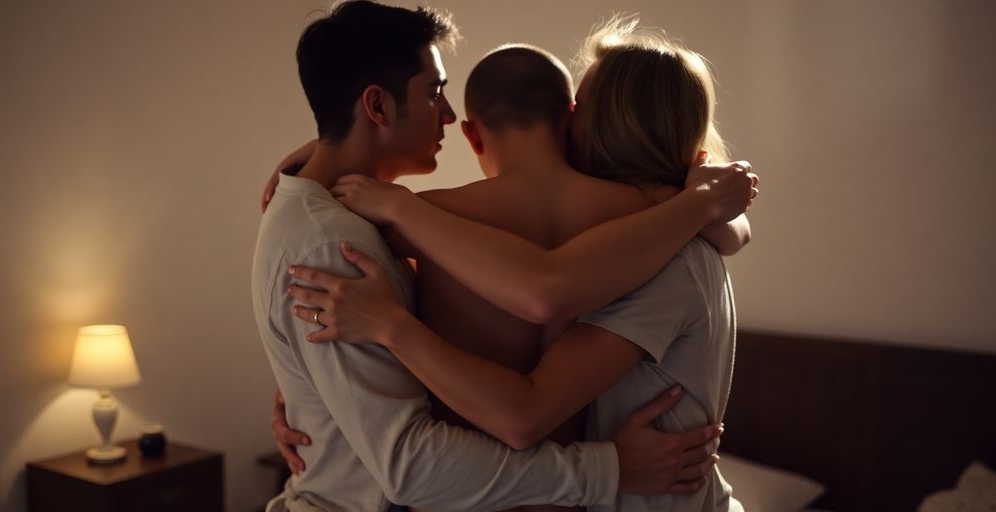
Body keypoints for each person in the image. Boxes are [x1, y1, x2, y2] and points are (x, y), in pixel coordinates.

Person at [253, 3, 743, 511]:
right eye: (434, 92)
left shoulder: (416, 223)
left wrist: (322, 162)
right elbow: (725, 228)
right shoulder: (652, 225)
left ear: (475, 131)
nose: (443, 113)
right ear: (567, 120)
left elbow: (529, 370)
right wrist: (311, 384)